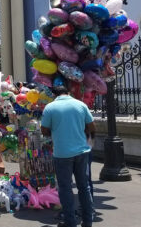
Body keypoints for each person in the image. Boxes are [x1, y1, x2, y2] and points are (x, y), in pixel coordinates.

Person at [41, 86, 96, 227]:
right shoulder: (80, 104)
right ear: (69, 93)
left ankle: (70, 222)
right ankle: (88, 221)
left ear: (54, 95)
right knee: (84, 187)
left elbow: (44, 130)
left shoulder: (50, 107)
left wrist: (55, 132)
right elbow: (92, 127)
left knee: (65, 188)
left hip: (62, 153)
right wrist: (88, 141)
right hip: (82, 152)